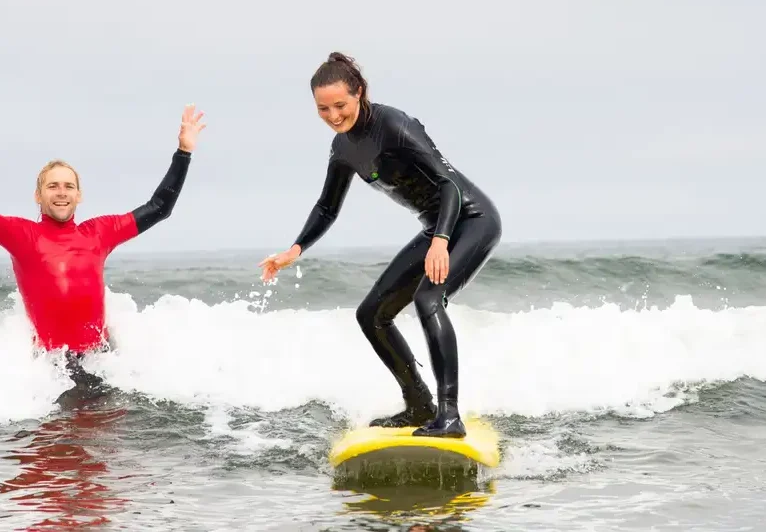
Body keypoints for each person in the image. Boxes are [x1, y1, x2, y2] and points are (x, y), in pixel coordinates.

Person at [259, 53, 502, 438]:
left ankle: (450, 416)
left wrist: (440, 241)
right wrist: (295, 249)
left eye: (340, 105)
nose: (333, 115)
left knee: (428, 299)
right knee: (371, 314)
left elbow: (448, 184)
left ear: (360, 93)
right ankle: (419, 403)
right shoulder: (343, 149)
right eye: (323, 109)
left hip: (471, 221)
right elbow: (327, 206)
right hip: (435, 230)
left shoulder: (395, 125)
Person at [0, 104, 206, 388]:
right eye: (53, 186)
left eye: (69, 186)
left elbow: (159, 207)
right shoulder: (20, 233)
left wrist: (183, 153)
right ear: (38, 195)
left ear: (79, 195)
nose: (62, 192)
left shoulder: (98, 232)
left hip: (102, 361)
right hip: (52, 371)